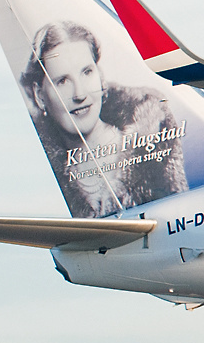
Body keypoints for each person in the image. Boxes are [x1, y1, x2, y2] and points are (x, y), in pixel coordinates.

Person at [20, 21, 187, 218]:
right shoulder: (43, 176)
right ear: (39, 96)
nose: (79, 94)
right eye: (62, 81)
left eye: (87, 72)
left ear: (100, 77)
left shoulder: (150, 137)